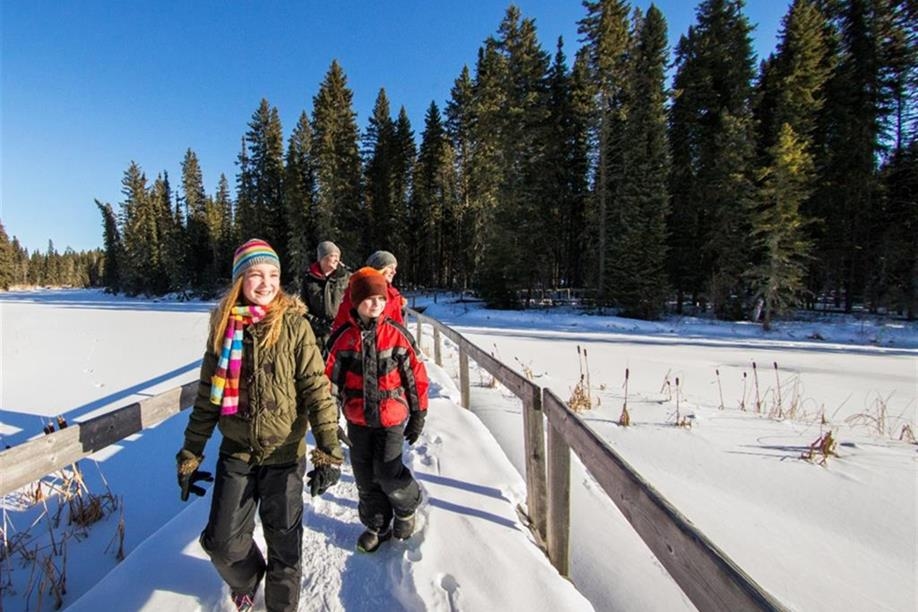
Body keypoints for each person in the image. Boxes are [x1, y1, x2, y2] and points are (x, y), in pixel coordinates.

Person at [176, 238, 343, 612]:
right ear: (240, 280)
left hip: (285, 454)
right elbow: (208, 398)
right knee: (221, 543)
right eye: (256, 274)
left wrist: (329, 451)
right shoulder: (224, 328)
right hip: (237, 453)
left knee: (285, 548)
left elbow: (317, 391)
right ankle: (248, 580)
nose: (266, 283)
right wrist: (191, 452)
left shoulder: (295, 326)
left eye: (273, 274)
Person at [325, 267, 429, 553]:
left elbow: (415, 376)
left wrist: (418, 413)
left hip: (390, 418)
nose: (376, 304)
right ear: (356, 301)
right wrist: (330, 422)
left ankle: (406, 508)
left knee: (387, 472)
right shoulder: (343, 338)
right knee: (364, 477)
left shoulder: (397, 334)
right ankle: (377, 525)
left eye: (381, 299)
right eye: (369, 298)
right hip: (357, 419)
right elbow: (329, 383)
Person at [331, 249, 406, 332]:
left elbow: (399, 326)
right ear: (379, 268)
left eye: (395, 268)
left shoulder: (393, 294)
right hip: (358, 337)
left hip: (387, 338)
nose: (394, 272)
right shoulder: (357, 290)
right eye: (390, 268)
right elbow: (342, 321)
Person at [300, 240, 350, 356]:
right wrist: (318, 324)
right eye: (332, 256)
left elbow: (353, 304)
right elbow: (302, 308)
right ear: (322, 258)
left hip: (342, 334)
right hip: (317, 336)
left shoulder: (346, 277)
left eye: (338, 256)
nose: (336, 259)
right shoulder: (309, 279)